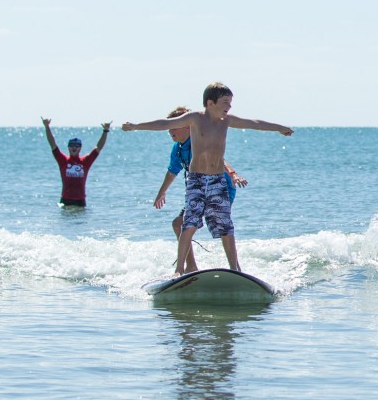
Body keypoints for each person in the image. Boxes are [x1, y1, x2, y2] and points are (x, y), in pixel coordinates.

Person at [122, 82, 293, 276]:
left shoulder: (226, 121)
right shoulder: (195, 119)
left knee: (226, 227)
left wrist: (280, 127)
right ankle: (179, 270)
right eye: (225, 102)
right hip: (196, 181)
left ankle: (235, 270)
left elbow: (254, 124)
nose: (229, 107)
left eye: (231, 102)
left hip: (218, 181)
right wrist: (136, 126)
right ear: (210, 103)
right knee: (189, 223)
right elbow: (165, 124)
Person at [151, 106, 248, 274]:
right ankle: (191, 266)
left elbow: (221, 160)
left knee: (222, 227)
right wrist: (162, 192)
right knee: (179, 223)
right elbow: (172, 171)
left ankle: (236, 269)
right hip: (199, 190)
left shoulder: (199, 139)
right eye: (169, 126)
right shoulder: (178, 148)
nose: (169, 130)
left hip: (221, 187)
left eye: (174, 125)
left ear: (188, 125)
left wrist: (233, 175)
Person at [43, 117, 110, 207]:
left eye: (77, 146)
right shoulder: (63, 161)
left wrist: (105, 131)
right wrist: (47, 126)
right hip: (65, 201)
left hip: (80, 202)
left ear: (80, 148)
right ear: (68, 147)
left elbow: (98, 148)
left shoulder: (85, 162)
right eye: (71, 146)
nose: (74, 148)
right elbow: (53, 144)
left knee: (81, 221)